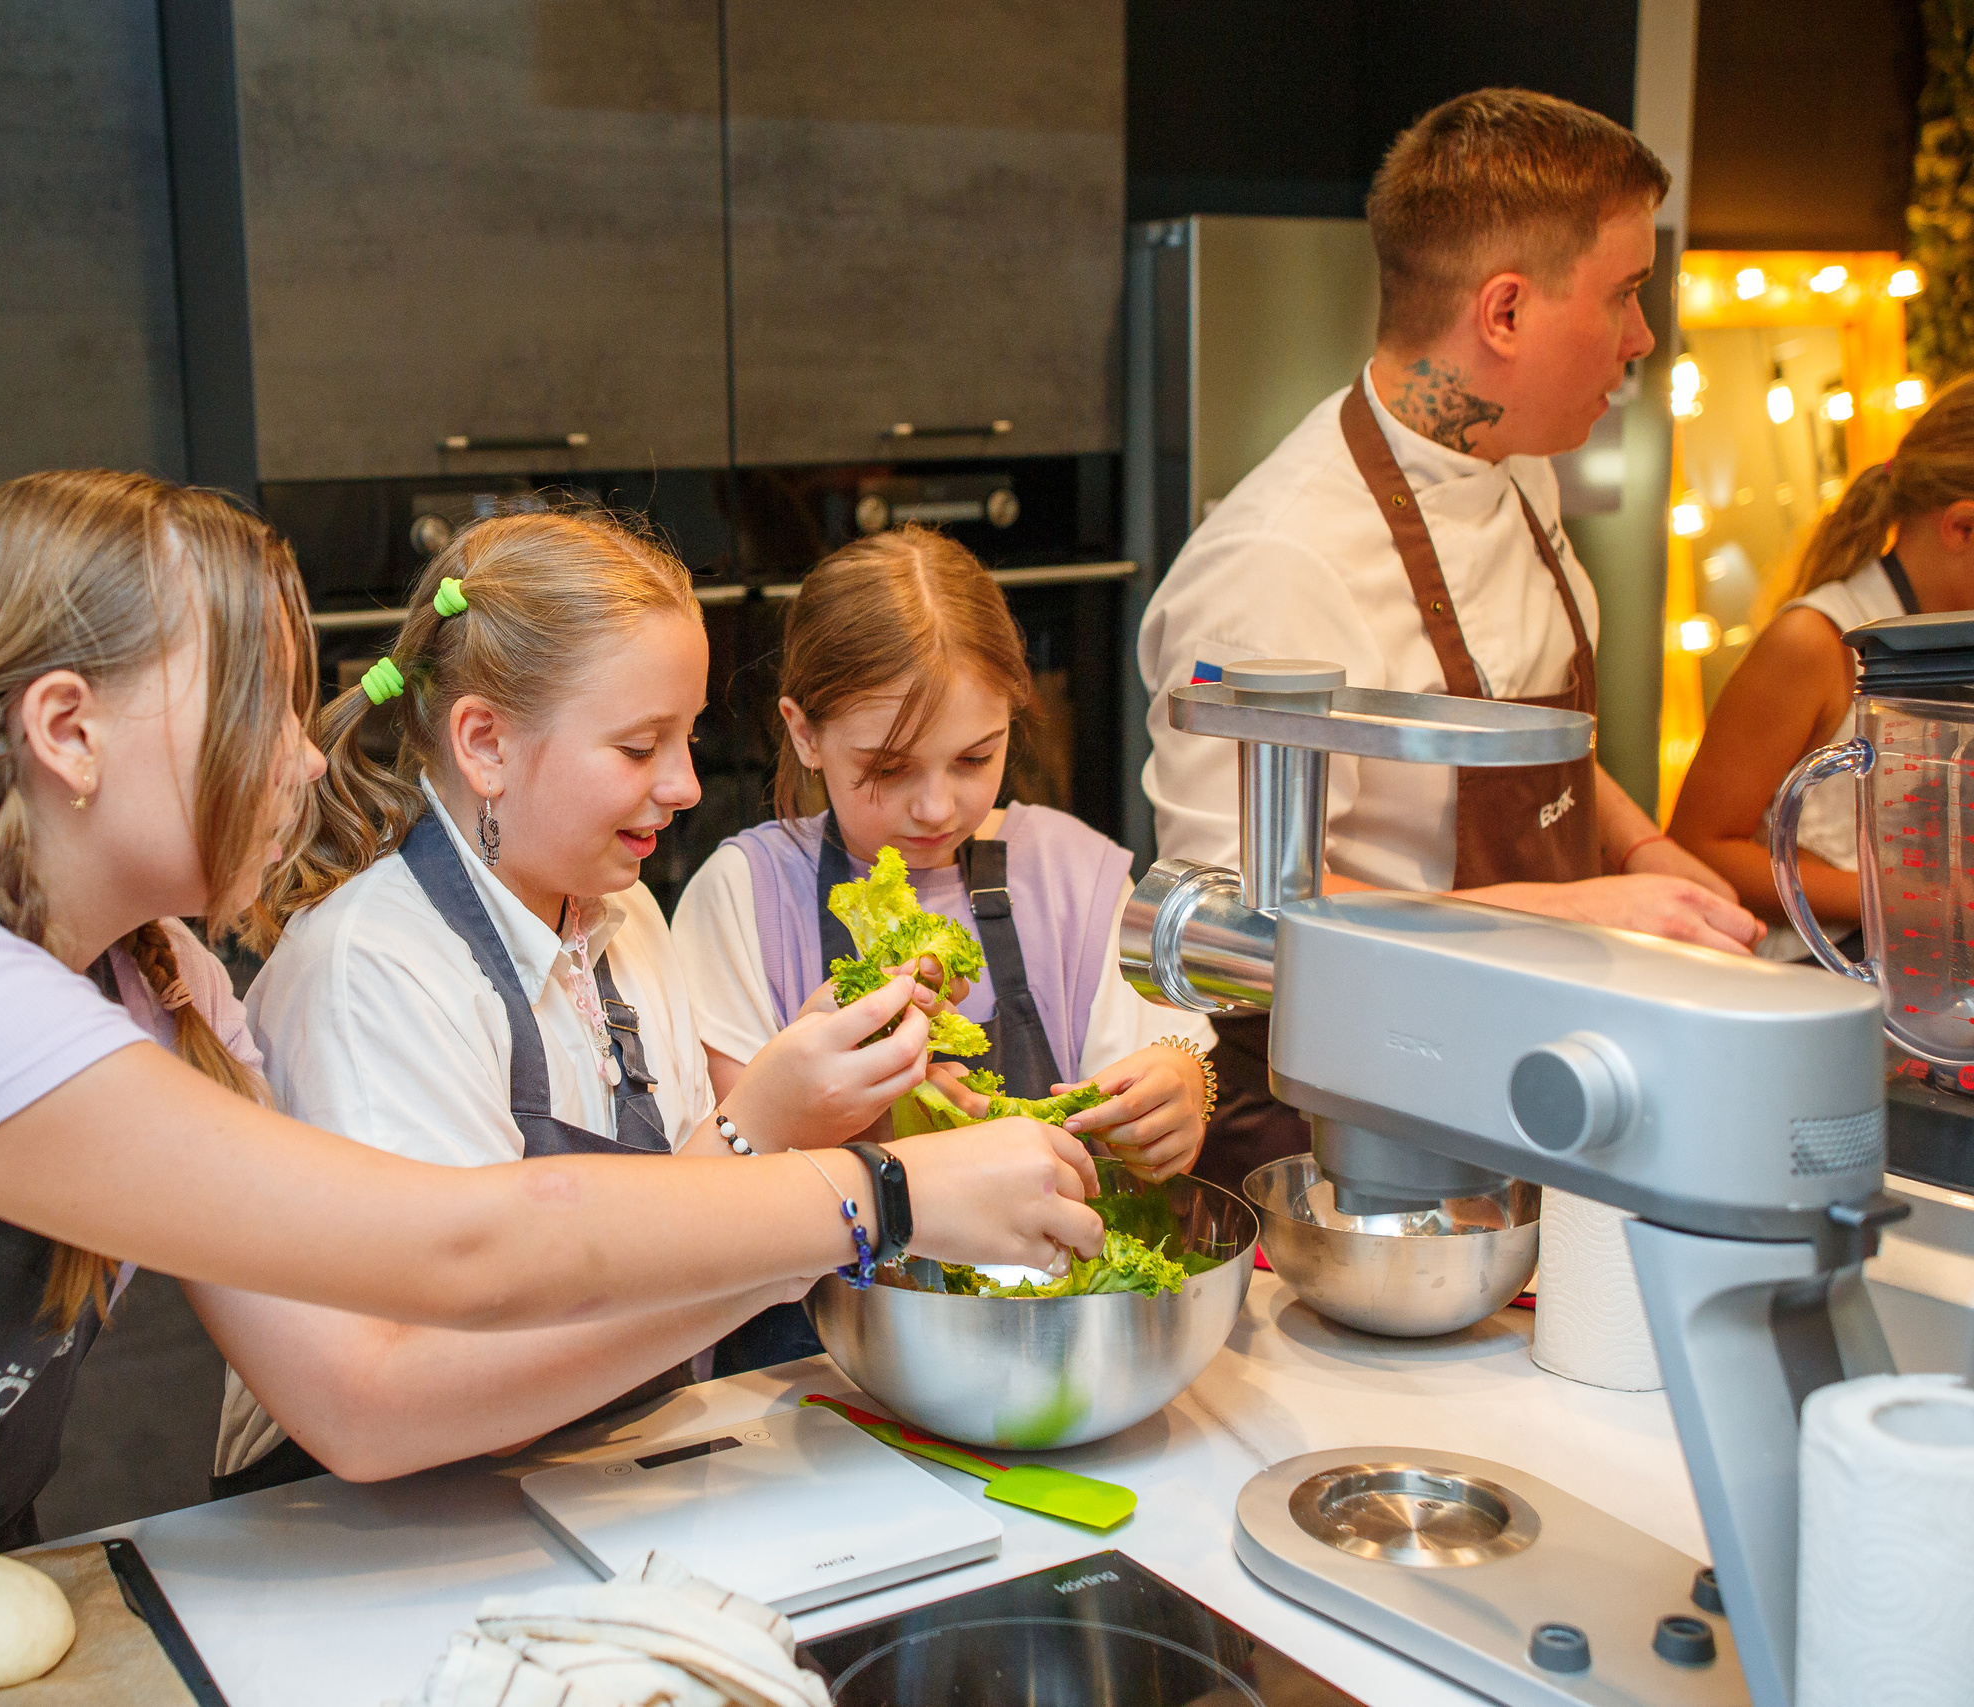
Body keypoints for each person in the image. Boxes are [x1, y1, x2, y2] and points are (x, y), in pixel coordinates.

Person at [0, 470, 1104, 1682]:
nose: (307, 759)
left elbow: (362, 1392)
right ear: (68, 732)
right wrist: (876, 1190)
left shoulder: (156, 982)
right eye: (265, 706)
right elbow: (464, 1248)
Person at [213, 510, 1026, 1493]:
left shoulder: (626, 914)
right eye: (640, 748)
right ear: (485, 745)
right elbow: (461, 1378)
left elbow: (671, 1247)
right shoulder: (372, 972)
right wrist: (760, 1128)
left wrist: (809, 1109)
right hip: (379, 1535)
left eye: (685, 739)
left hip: (593, 1482)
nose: (685, 785)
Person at [1136, 88, 1762, 1187]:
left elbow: (1529, 746)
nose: (1641, 338)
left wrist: (1644, 855)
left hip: (1531, 1074)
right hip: (1353, 1135)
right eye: (1622, 295)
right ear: (1505, 313)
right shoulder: (1275, 567)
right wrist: (1566, 917)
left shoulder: (1516, 470)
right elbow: (1233, 929)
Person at [672, 526, 1217, 1374]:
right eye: (887, 767)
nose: (935, 805)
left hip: (1045, 1350)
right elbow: (732, 1188)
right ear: (804, 733)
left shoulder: (1073, 870)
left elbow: (1160, 1056)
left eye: (975, 757)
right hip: (817, 1372)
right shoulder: (742, 896)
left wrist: (1182, 1087)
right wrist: (889, 1112)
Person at [1670, 375, 1974, 958]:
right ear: (1961, 527)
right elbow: (1698, 846)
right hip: (1820, 982)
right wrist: (1913, 898)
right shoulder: (1813, 644)